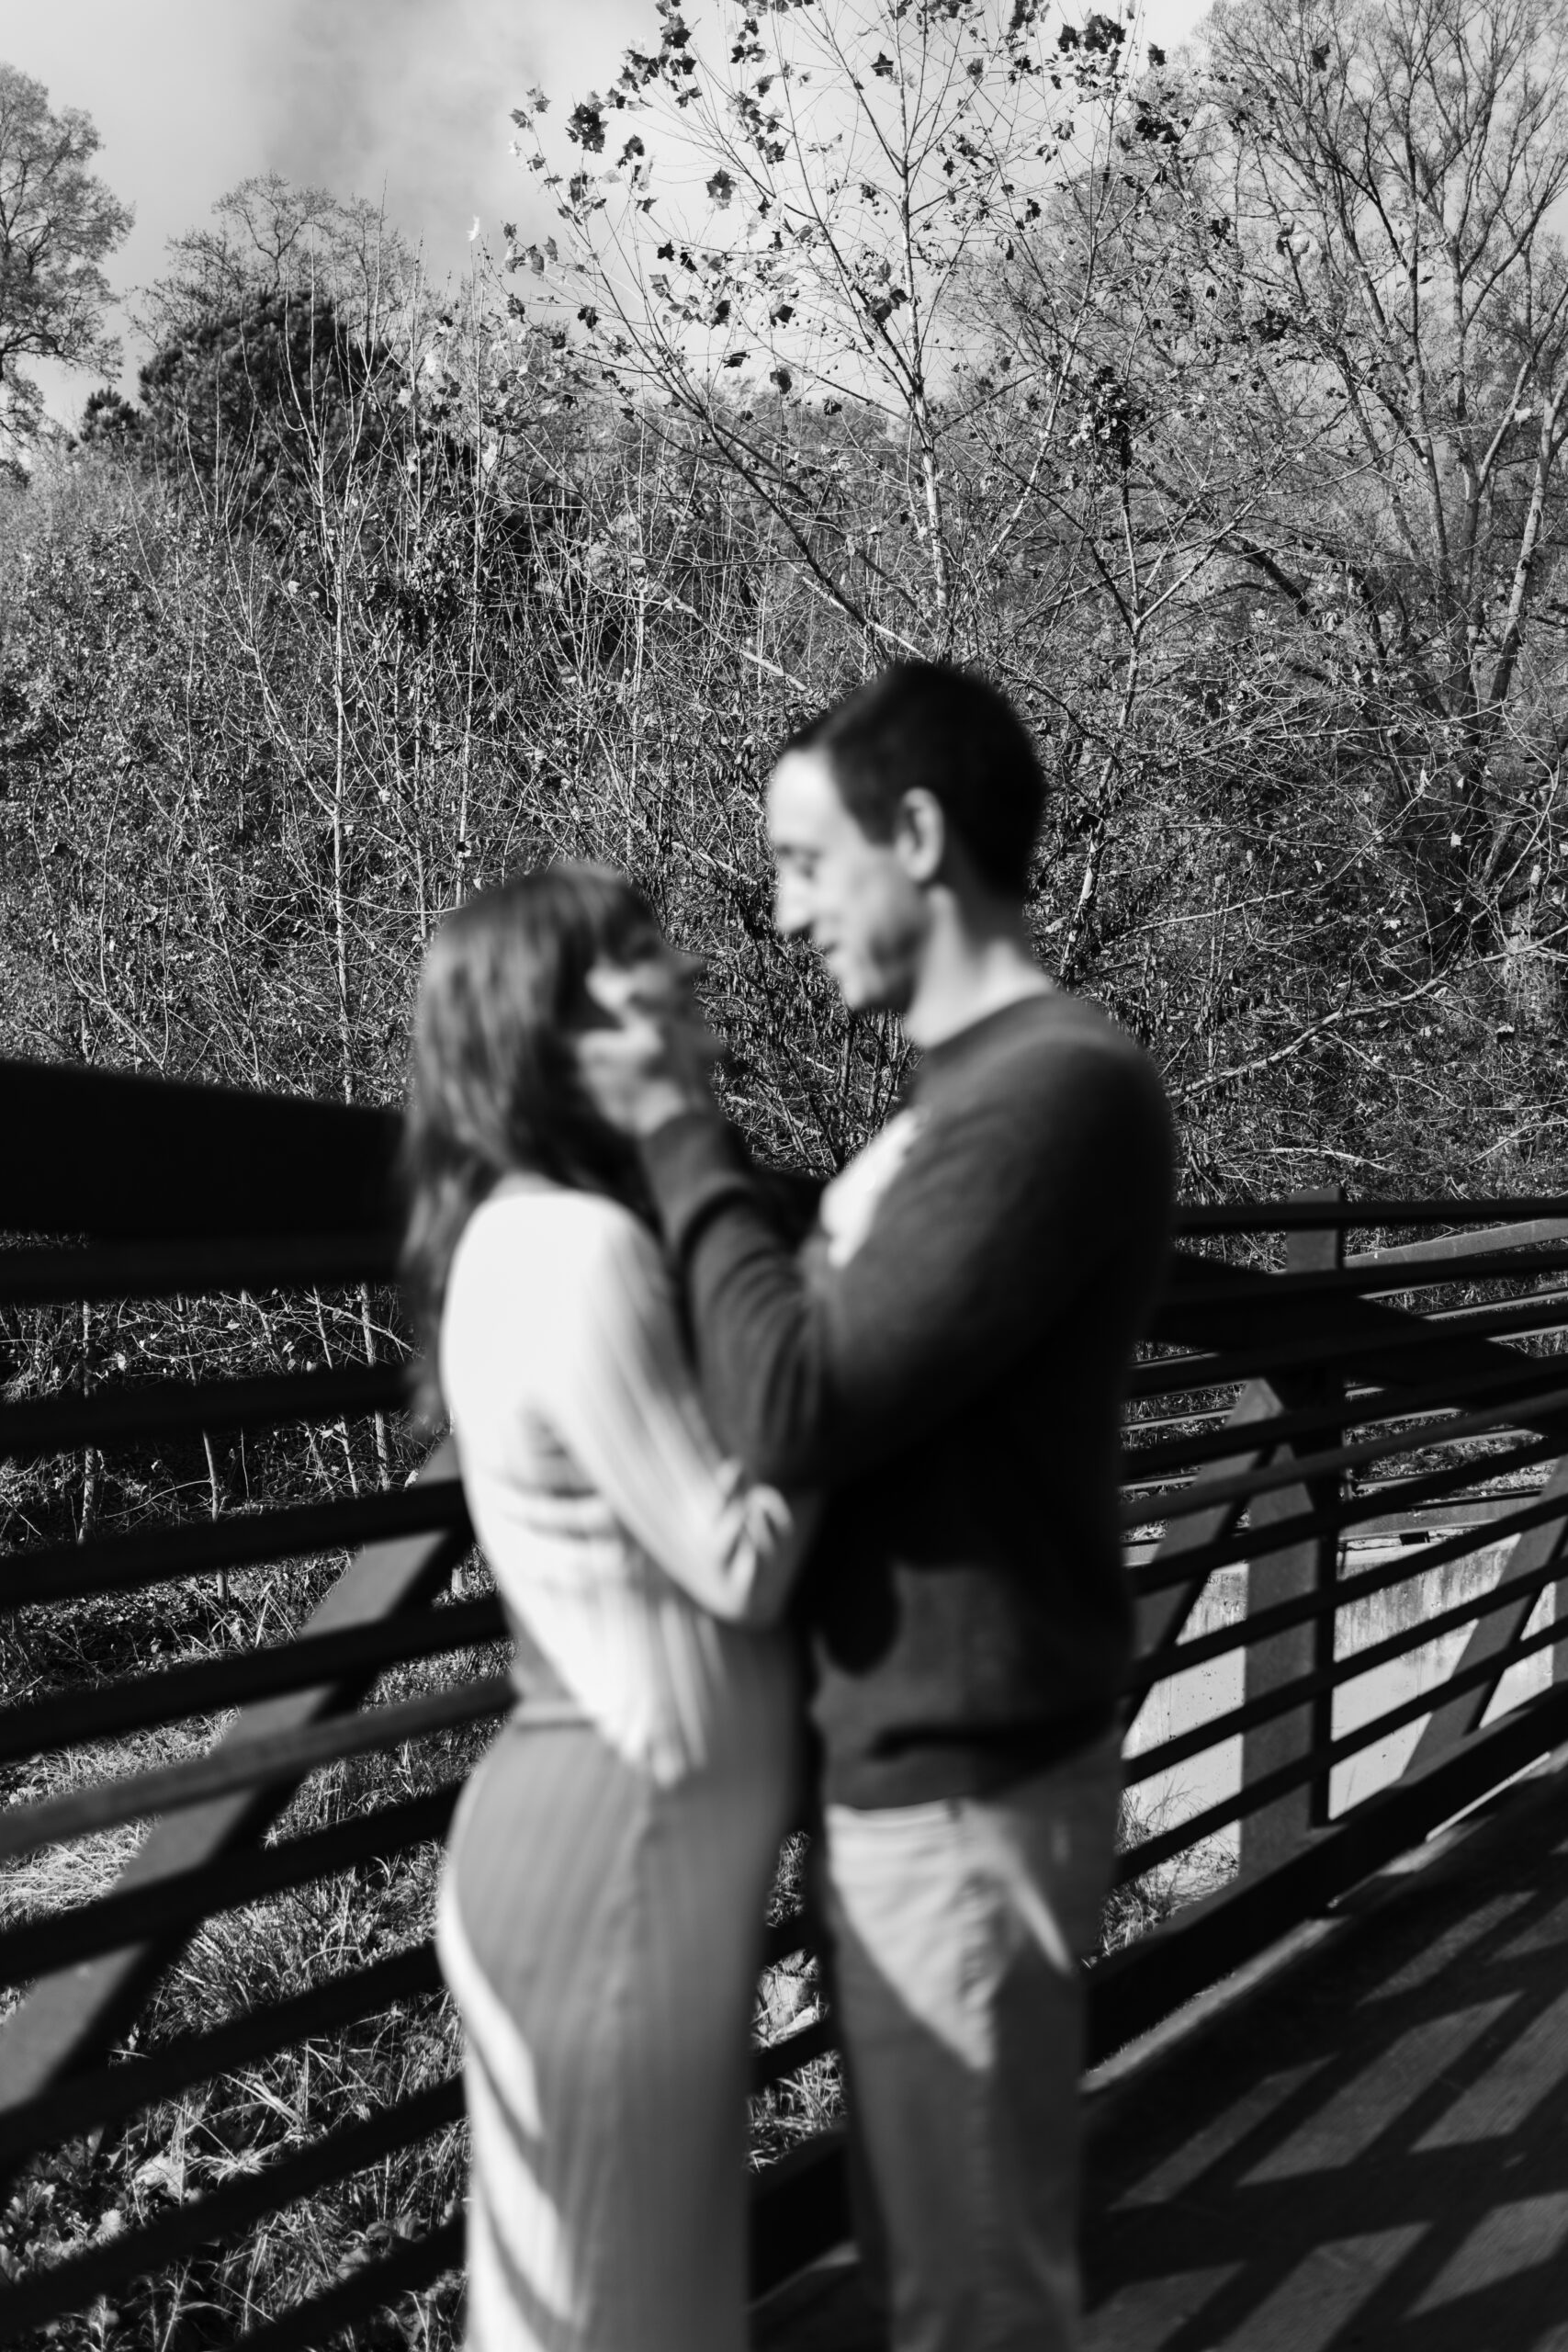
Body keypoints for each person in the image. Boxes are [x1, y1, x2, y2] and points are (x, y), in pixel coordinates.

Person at [577, 662, 1174, 2352]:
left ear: (915, 835)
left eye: (804, 862)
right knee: (937, 2279)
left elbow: (794, 1403)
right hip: (922, 1781)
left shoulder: (1052, 1094)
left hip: (965, 1797)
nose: (784, 913)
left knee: (973, 2305)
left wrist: (676, 1132)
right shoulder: (977, 1100)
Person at [400, 864, 813, 2352]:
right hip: (611, 1863)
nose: (683, 969)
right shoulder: (573, 1252)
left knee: (636, 2314)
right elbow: (742, 1559)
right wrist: (839, 1377)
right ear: (549, 1031)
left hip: (634, 1854)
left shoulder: (541, 1236)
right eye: (637, 959)